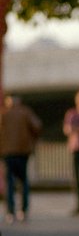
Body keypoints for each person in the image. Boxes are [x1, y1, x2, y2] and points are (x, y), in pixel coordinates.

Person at [0, 95, 42, 224]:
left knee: (10, 183)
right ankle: (23, 210)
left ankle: (10, 212)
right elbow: (37, 126)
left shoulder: (3, 113)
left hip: (7, 153)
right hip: (23, 152)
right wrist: (31, 140)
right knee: (23, 182)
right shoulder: (25, 112)